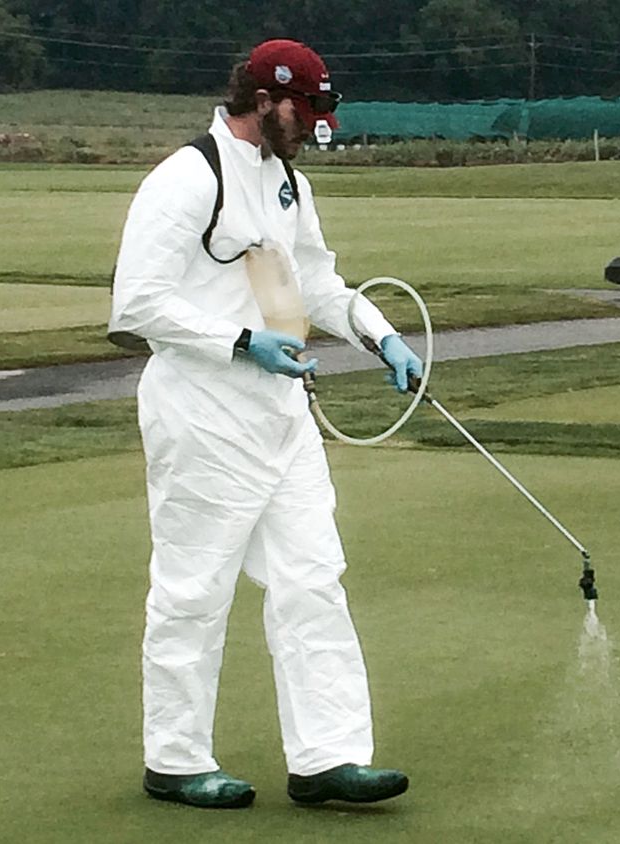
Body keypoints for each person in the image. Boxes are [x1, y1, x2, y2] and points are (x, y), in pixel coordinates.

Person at [108, 38, 422, 810]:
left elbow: (316, 280)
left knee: (313, 579)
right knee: (194, 588)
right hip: (201, 410)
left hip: (281, 416)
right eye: (305, 109)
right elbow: (136, 304)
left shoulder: (287, 181)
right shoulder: (187, 177)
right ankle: (175, 758)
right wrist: (245, 342)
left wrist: (380, 334)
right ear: (266, 97)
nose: (312, 125)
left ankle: (328, 757)